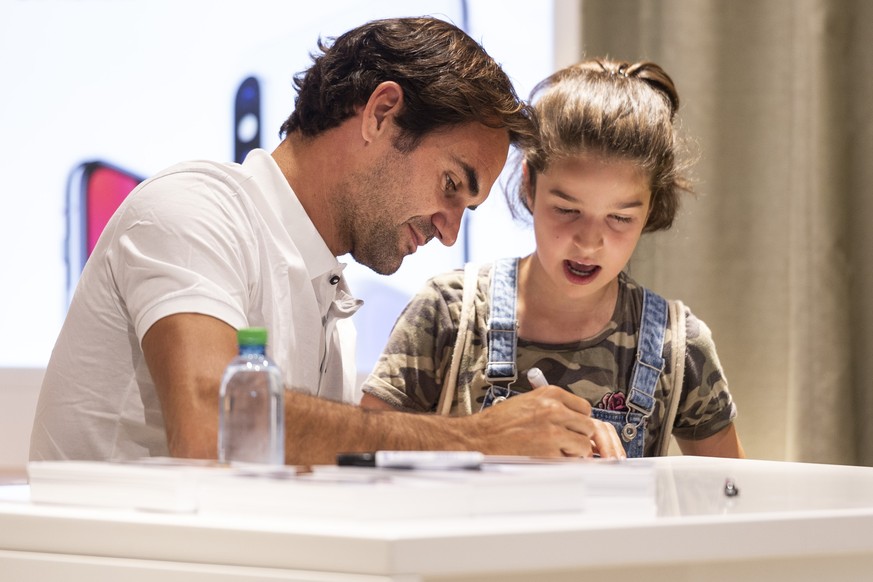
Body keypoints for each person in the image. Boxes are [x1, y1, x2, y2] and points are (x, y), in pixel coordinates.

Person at [30, 18, 625, 466]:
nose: (448, 232)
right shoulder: (193, 208)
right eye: (451, 185)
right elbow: (211, 428)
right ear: (381, 113)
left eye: (466, 209)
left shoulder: (329, 294)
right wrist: (476, 438)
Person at [361, 58, 745, 458]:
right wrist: (483, 438)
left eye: (620, 217)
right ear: (529, 184)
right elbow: (361, 454)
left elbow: (733, 500)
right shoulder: (450, 314)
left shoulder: (678, 347)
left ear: (651, 209)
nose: (589, 242)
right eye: (567, 209)